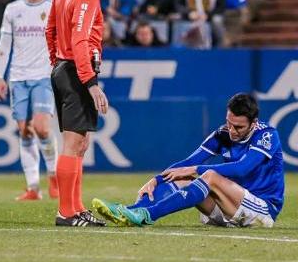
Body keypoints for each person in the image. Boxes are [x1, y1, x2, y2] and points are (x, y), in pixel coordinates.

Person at [92, 93, 284, 228]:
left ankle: (148, 215)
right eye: (229, 123)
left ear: (254, 122)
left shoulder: (267, 135)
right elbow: (187, 163)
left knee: (208, 176)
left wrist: (195, 169)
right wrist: (155, 180)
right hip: (230, 208)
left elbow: (243, 169)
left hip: (262, 211)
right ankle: (131, 211)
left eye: (239, 127)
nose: (232, 131)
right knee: (181, 176)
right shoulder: (222, 133)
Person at [45, 0, 126, 227]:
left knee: (80, 143)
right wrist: (90, 83)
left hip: (64, 68)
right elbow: (80, 41)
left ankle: (76, 208)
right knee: (72, 143)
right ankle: (66, 212)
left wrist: (55, 61)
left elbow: (50, 30)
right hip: (77, 72)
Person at [0, 0, 59, 201]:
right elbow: (4, 45)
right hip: (18, 77)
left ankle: (53, 175)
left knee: (41, 127)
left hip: (44, 76)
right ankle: (33, 187)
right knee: (24, 131)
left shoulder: (53, 7)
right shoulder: (13, 10)